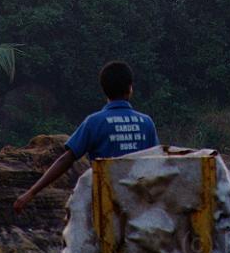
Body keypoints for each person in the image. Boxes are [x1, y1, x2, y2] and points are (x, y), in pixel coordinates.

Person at [13, 61, 158, 214]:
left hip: (105, 208)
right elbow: (156, 164)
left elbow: (66, 160)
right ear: (130, 88)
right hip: (139, 208)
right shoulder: (146, 123)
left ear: (104, 90)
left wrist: (31, 193)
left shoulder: (94, 122)